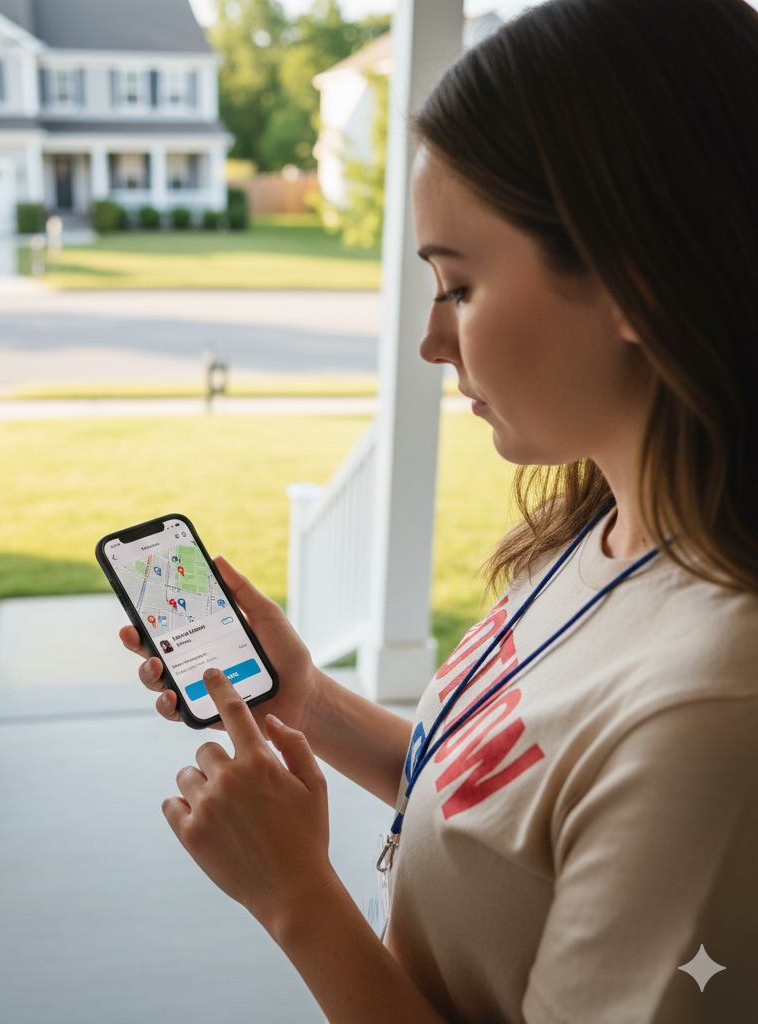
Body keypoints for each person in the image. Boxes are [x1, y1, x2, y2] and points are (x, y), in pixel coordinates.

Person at [118, 0, 758, 1019]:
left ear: (637, 284)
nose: (430, 340)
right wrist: (309, 703)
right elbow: (497, 803)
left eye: (456, 286)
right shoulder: (602, 529)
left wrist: (296, 898)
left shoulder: (709, 722)